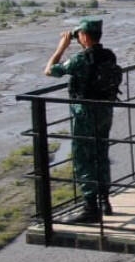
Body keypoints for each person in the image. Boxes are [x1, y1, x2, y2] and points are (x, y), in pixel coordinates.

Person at [44, 18, 117, 223]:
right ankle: (105, 201)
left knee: (84, 158)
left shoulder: (79, 59)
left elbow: (50, 70)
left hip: (85, 113)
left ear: (84, 36)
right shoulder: (109, 55)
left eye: (79, 36)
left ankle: (90, 207)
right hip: (105, 112)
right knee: (101, 154)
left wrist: (61, 47)